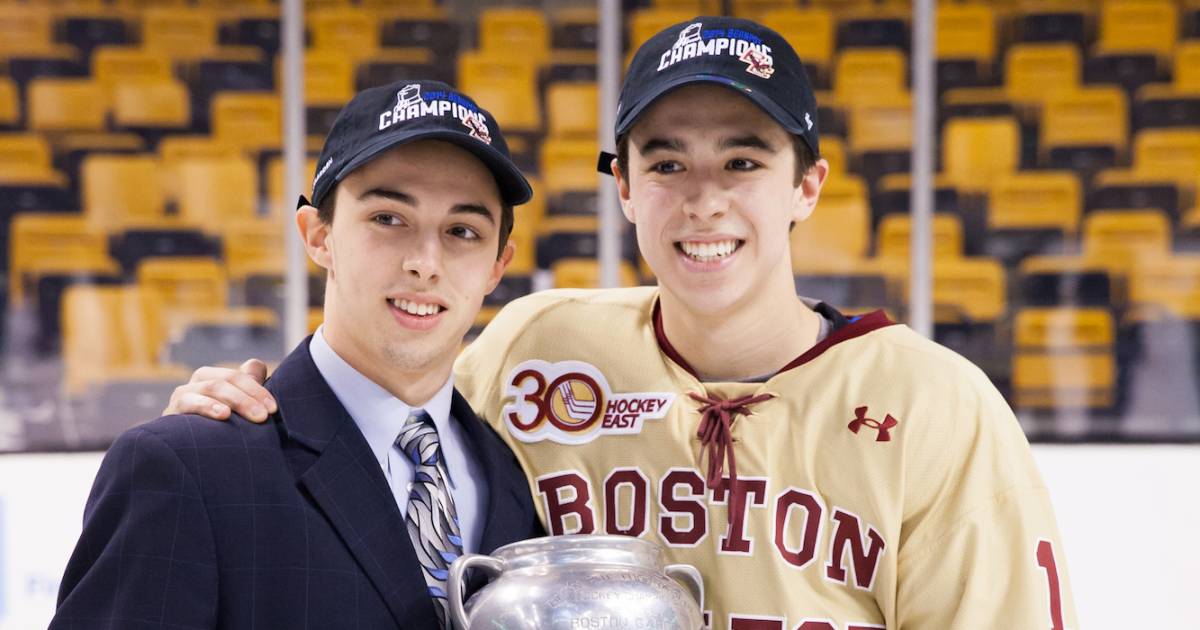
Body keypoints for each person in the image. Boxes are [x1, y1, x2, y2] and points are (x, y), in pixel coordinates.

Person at [167, 17, 1078, 629]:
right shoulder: (539, 348)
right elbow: (380, 424)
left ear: (807, 186)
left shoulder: (935, 405)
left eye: (743, 162)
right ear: (625, 188)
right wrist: (239, 413)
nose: (704, 201)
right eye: (668, 164)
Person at [52, 79, 544, 630]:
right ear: (317, 235)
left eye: (463, 230)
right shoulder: (186, 465)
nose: (425, 263)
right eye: (388, 218)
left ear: (498, 265)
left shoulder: (521, 480)